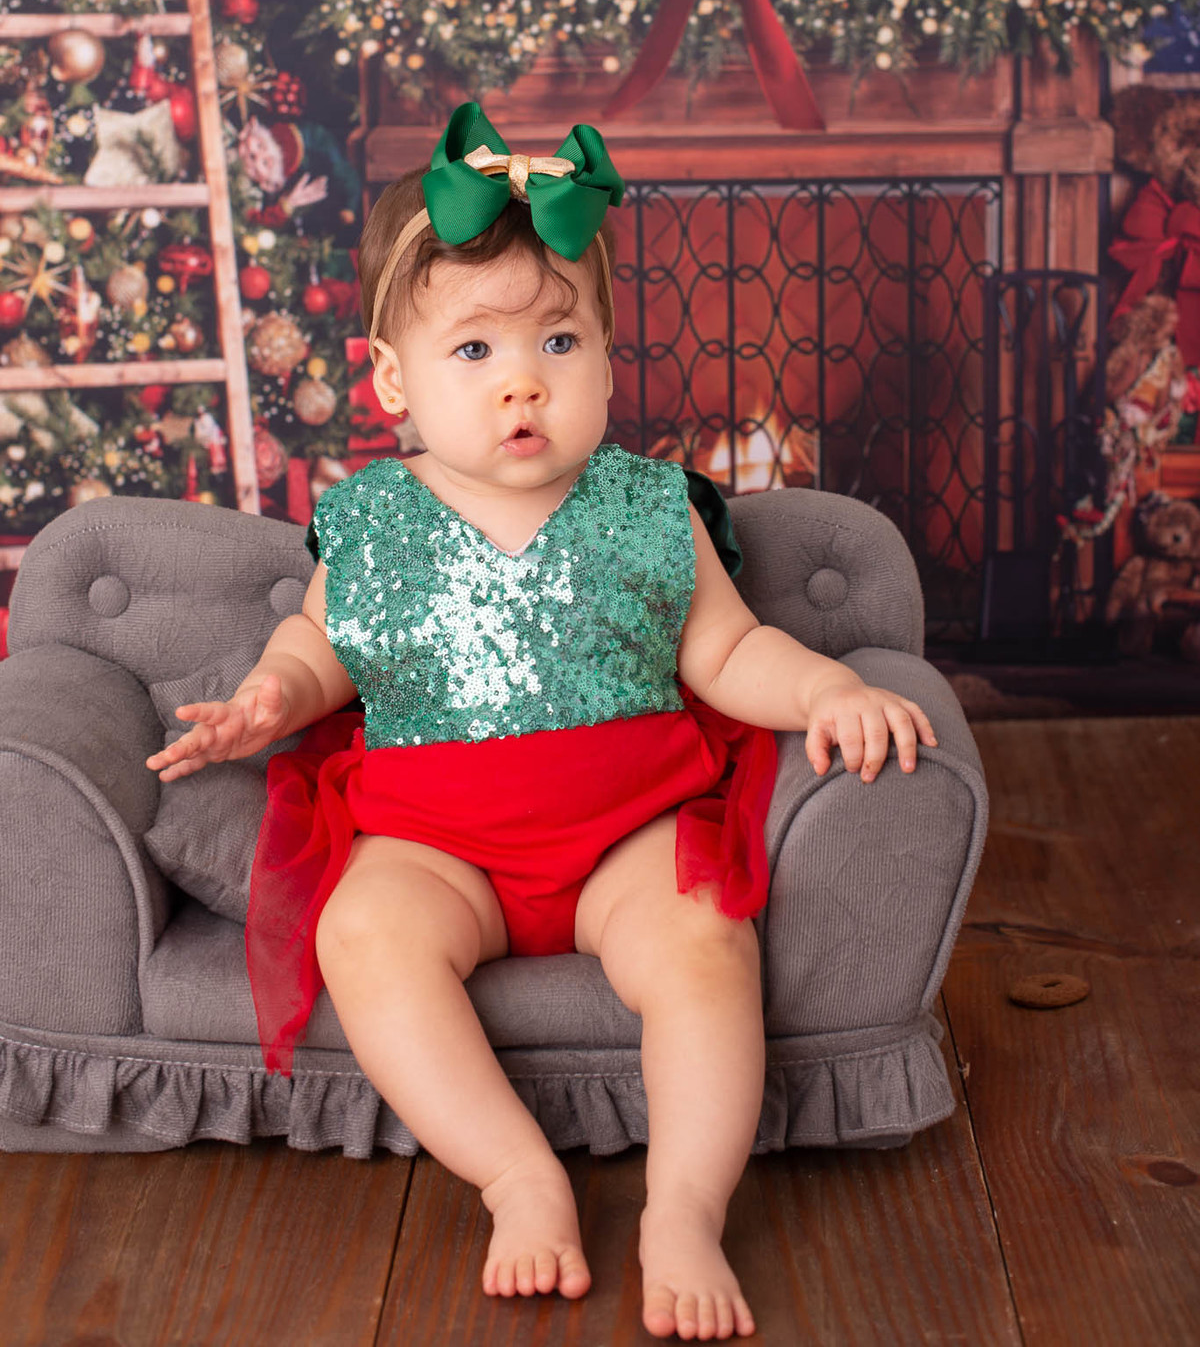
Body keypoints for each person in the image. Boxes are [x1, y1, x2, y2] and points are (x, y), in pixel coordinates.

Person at [147, 103, 936, 1343]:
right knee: (363, 931)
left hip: (628, 832)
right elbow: (320, 647)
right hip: (437, 843)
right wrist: (271, 697)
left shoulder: (648, 506)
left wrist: (826, 689)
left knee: (705, 944)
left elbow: (729, 651)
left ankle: (685, 1207)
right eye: (474, 350)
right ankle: (515, 1174)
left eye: (560, 339)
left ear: (610, 358)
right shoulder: (375, 519)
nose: (524, 381)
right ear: (393, 378)